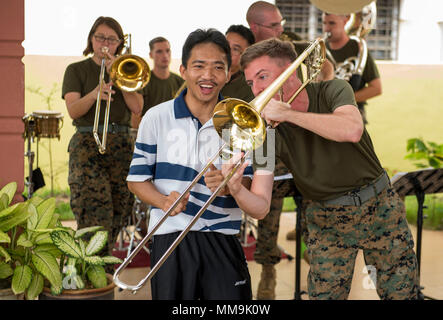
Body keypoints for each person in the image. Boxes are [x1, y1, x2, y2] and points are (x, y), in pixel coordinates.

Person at [241, 37, 419, 300]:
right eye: (250, 82)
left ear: (290, 70)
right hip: (326, 218)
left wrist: (288, 114)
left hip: (380, 206)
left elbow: (351, 129)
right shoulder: (265, 132)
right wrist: (235, 187)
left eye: (262, 77)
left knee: (402, 295)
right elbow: (261, 205)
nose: (256, 89)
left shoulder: (333, 89)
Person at [126, 28, 274, 300]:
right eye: (199, 66)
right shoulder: (155, 117)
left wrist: (233, 187)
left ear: (229, 74)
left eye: (218, 67)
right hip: (170, 237)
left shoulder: (248, 123)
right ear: (183, 70)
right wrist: (162, 201)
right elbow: (136, 179)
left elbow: (257, 195)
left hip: (223, 237)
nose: (208, 76)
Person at [62, 16, 143, 270]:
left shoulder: (125, 70)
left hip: (120, 145)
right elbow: (74, 110)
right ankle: (92, 272)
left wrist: (118, 75)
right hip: (87, 144)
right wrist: (96, 92)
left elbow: (137, 108)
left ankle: (102, 270)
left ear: (120, 43)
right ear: (91, 39)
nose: (105, 43)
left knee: (120, 208)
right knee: (93, 211)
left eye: (111, 39)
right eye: (100, 38)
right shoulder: (76, 70)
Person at [246, 0, 313, 300]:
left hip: (297, 136)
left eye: (280, 22)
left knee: (313, 194)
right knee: (267, 211)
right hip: (264, 138)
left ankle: (315, 253)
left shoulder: (291, 46)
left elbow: (323, 67)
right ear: (255, 28)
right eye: (274, 25)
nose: (281, 29)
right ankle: (268, 270)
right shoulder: (245, 56)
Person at [322, 12, 382, 124]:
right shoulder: (320, 49)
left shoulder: (358, 49)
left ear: (346, 20)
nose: (326, 29)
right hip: (325, 115)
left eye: (332, 23)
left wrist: (345, 99)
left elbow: (376, 88)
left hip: (353, 115)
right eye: (324, 23)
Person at [131, 36, 184, 129]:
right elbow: (135, 119)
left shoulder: (180, 81)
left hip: (175, 134)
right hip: (150, 135)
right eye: (159, 51)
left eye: (167, 51)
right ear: (151, 55)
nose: (165, 55)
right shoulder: (142, 81)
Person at [221, 24, 255, 102]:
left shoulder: (249, 89)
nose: (227, 51)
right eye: (225, 44)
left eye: (235, 49)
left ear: (246, 56)